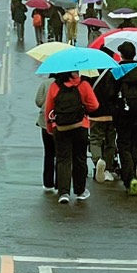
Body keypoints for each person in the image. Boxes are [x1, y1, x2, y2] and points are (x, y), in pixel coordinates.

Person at [44, 71, 97, 203]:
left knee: (63, 159)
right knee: (80, 158)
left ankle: (63, 193)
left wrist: (51, 128)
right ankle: (80, 190)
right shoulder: (84, 85)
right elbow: (94, 105)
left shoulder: (54, 86)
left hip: (61, 128)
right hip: (80, 126)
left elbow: (49, 109)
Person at [107, 43, 137, 195]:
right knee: (135, 143)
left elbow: (109, 94)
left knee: (123, 145)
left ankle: (129, 178)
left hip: (122, 116)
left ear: (122, 55)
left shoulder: (116, 72)